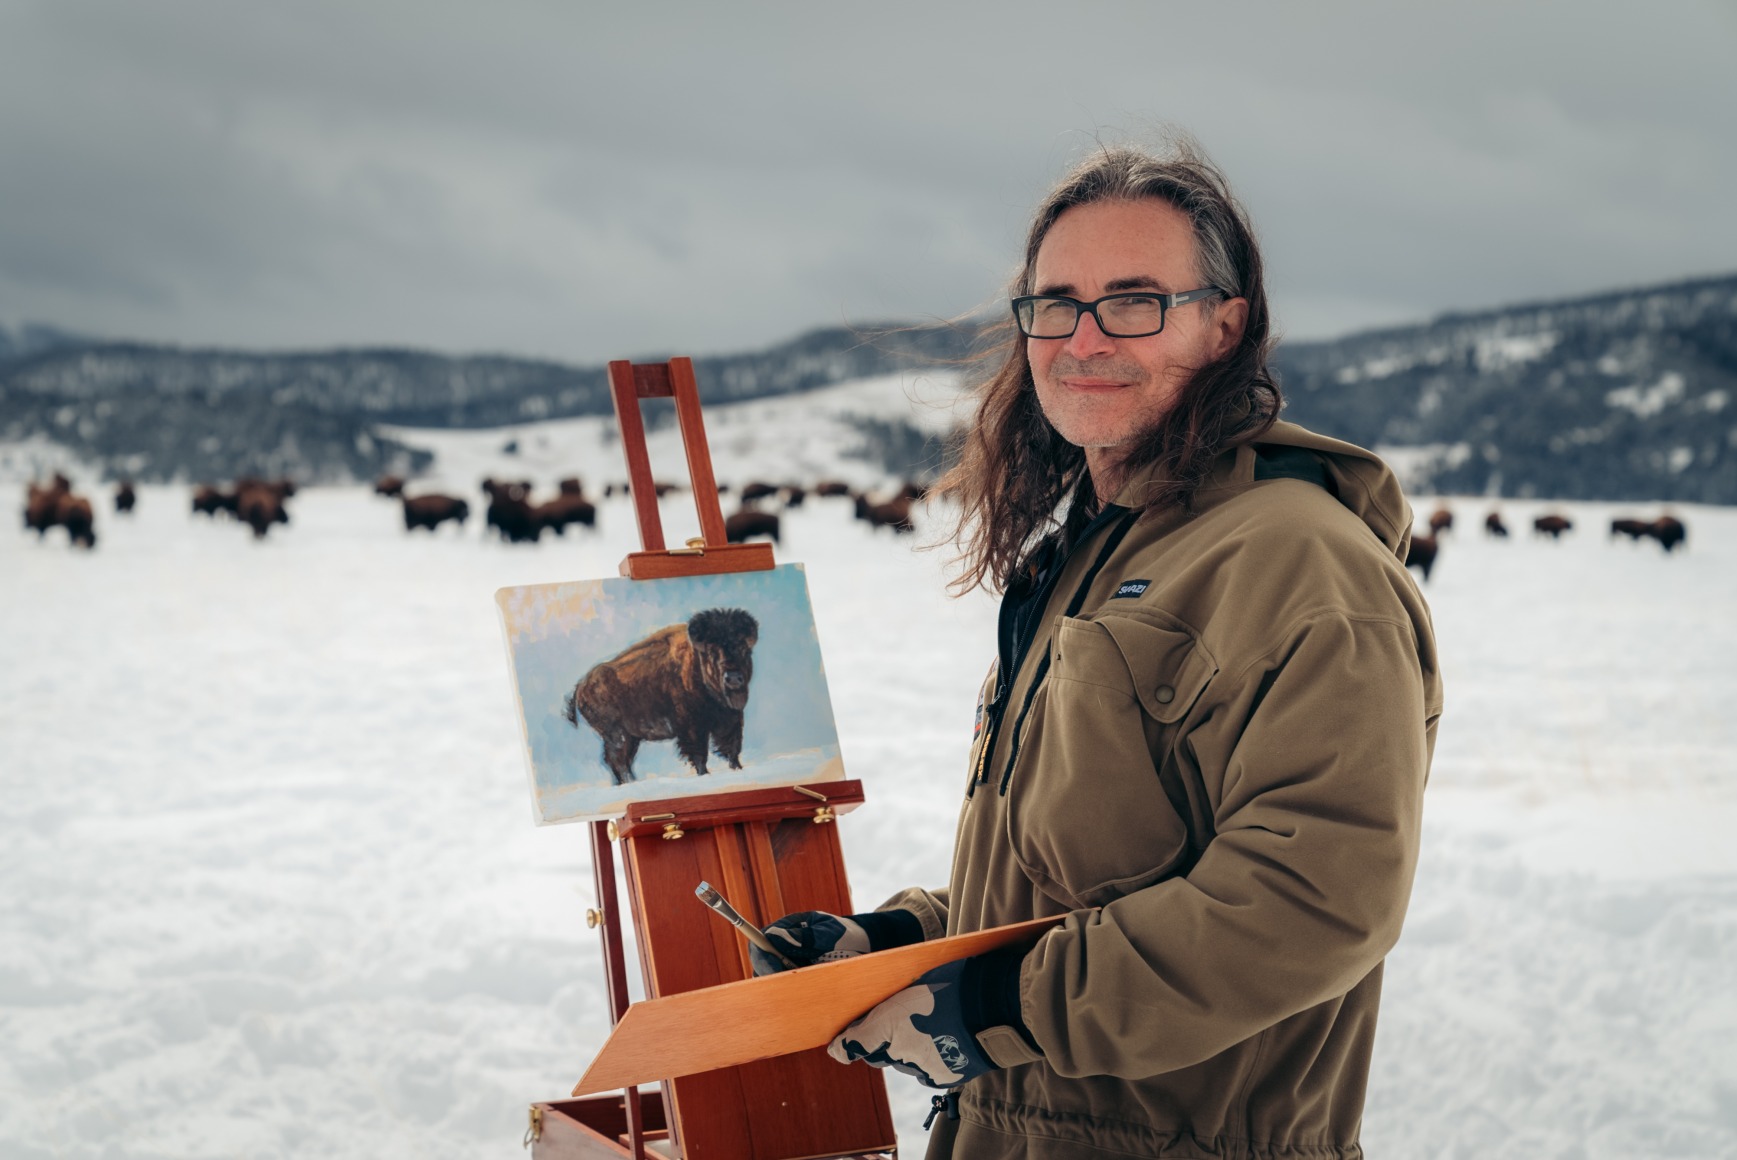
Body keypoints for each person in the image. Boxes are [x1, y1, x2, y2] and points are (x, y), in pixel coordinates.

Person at [754, 137, 1443, 1160]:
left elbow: (1313, 899)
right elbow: (1080, 872)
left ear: (1225, 323)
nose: (1084, 337)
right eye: (1056, 303)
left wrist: (995, 1003)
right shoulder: (1099, 551)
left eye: (1134, 300)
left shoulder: (1303, 566)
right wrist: (902, 946)